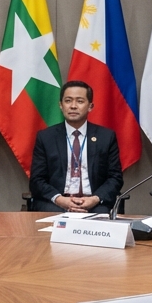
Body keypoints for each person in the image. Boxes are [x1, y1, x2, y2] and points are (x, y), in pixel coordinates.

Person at [28, 81, 123, 214]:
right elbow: (36, 180)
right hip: (56, 204)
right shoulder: (46, 137)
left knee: (101, 215)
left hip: (94, 204)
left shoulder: (106, 137)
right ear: (60, 105)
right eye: (68, 101)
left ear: (90, 106)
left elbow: (115, 178)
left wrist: (95, 199)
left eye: (79, 101)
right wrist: (60, 200)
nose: (73, 106)